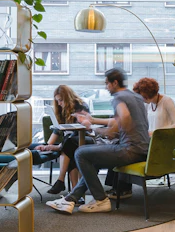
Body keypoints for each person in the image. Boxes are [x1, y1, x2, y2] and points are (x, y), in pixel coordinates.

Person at [47, 68, 150, 214]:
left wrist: (108, 131)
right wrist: (93, 121)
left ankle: (101, 200)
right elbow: (119, 119)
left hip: (129, 150)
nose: (106, 87)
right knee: (91, 158)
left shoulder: (118, 97)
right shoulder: (136, 97)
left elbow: (124, 118)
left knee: (80, 153)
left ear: (115, 83)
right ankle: (70, 199)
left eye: (107, 83)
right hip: (143, 150)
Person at [33, 85, 89, 195]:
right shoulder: (61, 109)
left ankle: (61, 180)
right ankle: (74, 191)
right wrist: (47, 146)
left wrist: (57, 147)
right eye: (57, 101)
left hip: (84, 139)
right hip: (69, 143)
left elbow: (80, 130)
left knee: (69, 145)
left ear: (68, 98)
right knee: (70, 150)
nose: (59, 103)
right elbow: (57, 130)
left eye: (61, 100)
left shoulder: (81, 106)